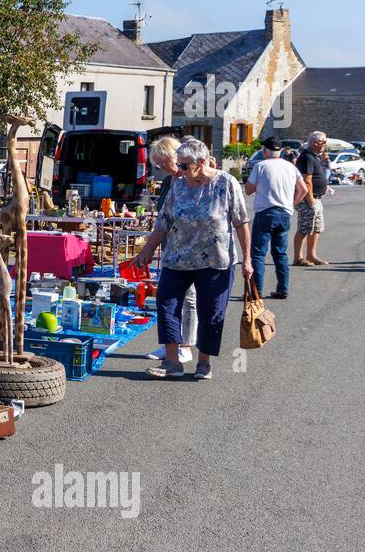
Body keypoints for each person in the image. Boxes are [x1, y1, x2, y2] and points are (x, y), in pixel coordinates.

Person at [133, 137, 252, 380]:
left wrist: (247, 259)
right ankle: (172, 362)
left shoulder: (226, 183)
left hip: (215, 261)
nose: (181, 170)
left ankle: (204, 362)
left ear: (202, 162)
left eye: (185, 165)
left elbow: (241, 222)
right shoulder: (178, 186)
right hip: (177, 259)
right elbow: (163, 222)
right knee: (166, 305)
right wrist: (146, 251)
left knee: (211, 313)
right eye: (180, 165)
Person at [145, 136, 195, 365]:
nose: (163, 168)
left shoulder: (191, 180)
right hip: (169, 246)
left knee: (189, 298)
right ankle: (170, 344)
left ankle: (186, 346)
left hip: (191, 247)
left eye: (165, 163)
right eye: (159, 164)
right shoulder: (168, 182)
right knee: (168, 298)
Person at [245, 136, 308, 300]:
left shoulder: (261, 166)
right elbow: (303, 190)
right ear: (280, 151)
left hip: (265, 211)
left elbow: (249, 190)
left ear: (265, 151)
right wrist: (292, 203)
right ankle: (282, 288)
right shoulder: (290, 167)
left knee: (258, 253)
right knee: (280, 253)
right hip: (284, 212)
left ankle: (256, 291)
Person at [294, 131, 329, 266]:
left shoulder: (314, 156)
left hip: (316, 198)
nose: (325, 145)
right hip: (308, 199)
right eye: (324, 142)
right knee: (305, 228)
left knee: (316, 228)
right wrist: (310, 201)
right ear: (316, 143)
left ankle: (311, 255)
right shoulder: (307, 157)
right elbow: (306, 180)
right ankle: (298, 257)